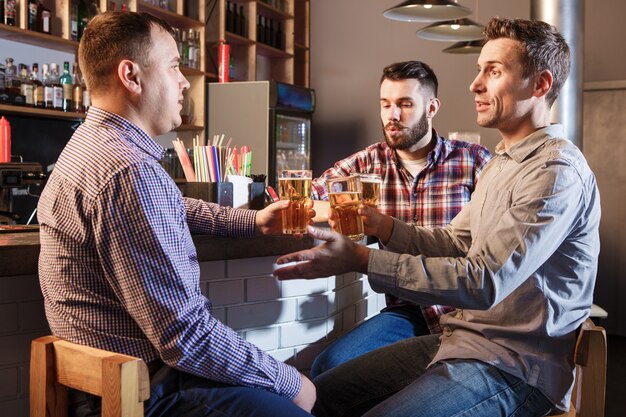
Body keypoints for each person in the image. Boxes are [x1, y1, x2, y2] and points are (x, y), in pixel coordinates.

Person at [274, 16, 600, 417]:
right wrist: (383, 226)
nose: (475, 84)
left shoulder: (555, 171)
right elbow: (455, 242)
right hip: (460, 338)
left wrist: (362, 259)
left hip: (513, 366)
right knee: (313, 395)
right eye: (479, 69)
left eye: (493, 71)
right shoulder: (504, 160)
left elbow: (483, 281)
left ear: (540, 85)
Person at [37, 11, 315, 417]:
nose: (185, 81)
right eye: (173, 66)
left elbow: (170, 206)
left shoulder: (92, 145)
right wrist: (292, 383)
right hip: (146, 392)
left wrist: (251, 221)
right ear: (131, 76)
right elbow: (184, 337)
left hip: (114, 381)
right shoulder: (128, 170)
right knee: (305, 392)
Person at [309, 60, 491, 377]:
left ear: (431, 107)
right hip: (407, 312)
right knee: (328, 367)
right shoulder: (368, 162)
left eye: (405, 104)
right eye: (386, 105)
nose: (393, 116)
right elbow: (303, 198)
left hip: (468, 311)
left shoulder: (472, 160)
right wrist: (344, 210)